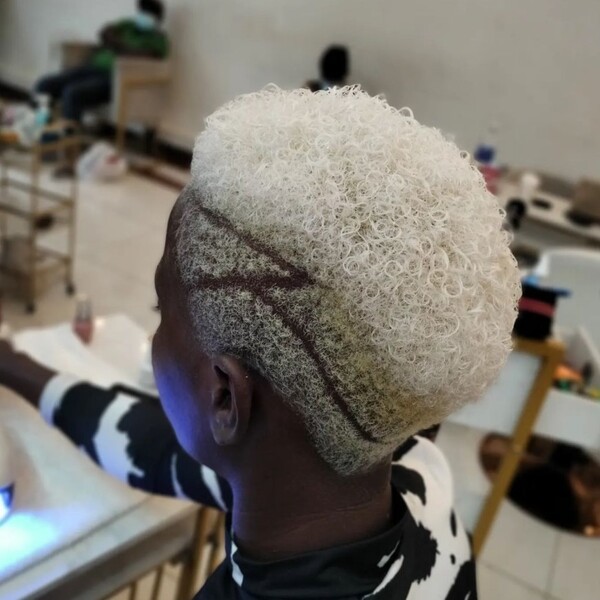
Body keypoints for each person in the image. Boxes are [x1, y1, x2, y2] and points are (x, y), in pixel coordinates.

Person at [0, 87, 521, 598]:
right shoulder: (415, 476)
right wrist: (14, 364)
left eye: (162, 313)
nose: (156, 334)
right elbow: (148, 445)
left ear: (225, 396)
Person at [34, 0, 168, 122]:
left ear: (157, 19)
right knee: (44, 84)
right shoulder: (128, 26)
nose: (143, 16)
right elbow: (104, 32)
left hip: (114, 80)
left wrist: (116, 45)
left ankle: (68, 139)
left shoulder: (158, 39)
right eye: (142, 12)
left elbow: (145, 56)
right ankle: (37, 126)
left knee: (72, 93)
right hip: (92, 67)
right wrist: (122, 47)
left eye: (148, 14)